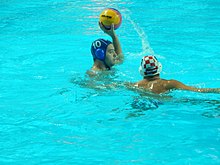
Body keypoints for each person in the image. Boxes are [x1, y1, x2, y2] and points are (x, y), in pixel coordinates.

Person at [126, 55, 220, 94]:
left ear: (142, 71)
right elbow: (198, 90)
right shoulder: (169, 84)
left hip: (142, 102)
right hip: (162, 104)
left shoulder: (135, 85)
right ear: (159, 68)